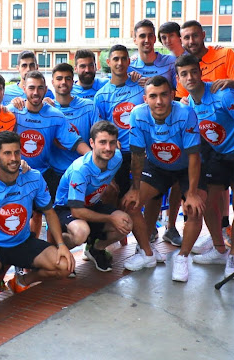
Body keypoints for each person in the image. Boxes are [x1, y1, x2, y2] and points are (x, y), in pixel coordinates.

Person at [0, 130, 74, 297]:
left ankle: (21, 281)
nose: (13, 158)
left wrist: (61, 245)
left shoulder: (34, 177)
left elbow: (49, 212)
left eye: (17, 152)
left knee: (65, 265)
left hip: (23, 242)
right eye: (7, 153)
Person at [176, 55, 234, 278]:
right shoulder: (190, 103)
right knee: (209, 202)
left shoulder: (222, 94)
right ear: (179, 78)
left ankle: (233, 258)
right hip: (221, 154)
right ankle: (219, 249)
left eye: (193, 72)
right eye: (184, 74)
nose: (190, 77)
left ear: (200, 72)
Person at [122, 76, 205, 279]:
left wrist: (192, 193)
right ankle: (146, 252)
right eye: (153, 96)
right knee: (131, 204)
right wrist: (134, 188)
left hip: (186, 166)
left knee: (194, 209)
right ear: (145, 98)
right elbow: (137, 154)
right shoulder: (137, 114)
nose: (159, 101)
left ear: (172, 95)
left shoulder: (186, 113)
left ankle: (182, 258)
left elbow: (194, 155)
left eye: (163, 95)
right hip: (158, 166)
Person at [7, 70, 89, 239]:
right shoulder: (12, 111)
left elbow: (74, 141)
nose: (35, 92)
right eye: (31, 88)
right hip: (15, 175)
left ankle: (52, 254)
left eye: (39, 88)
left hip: (43, 174)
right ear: (23, 88)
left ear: (45, 90)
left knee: (49, 213)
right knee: (17, 218)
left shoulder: (55, 115)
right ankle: (20, 258)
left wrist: (93, 159)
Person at [128, 19, 184, 247]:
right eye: (142, 36)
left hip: (173, 131)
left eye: (151, 36)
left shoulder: (169, 62)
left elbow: (182, 85)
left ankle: (171, 227)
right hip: (145, 133)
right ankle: (149, 230)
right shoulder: (130, 65)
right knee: (153, 186)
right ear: (135, 39)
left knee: (177, 179)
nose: (147, 40)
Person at [54, 121, 132, 272]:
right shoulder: (80, 170)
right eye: (102, 142)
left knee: (126, 223)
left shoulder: (117, 158)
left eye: (112, 143)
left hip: (92, 205)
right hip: (67, 209)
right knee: (81, 233)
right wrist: (110, 218)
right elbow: (77, 211)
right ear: (92, 143)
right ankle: (57, 250)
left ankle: (96, 249)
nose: (108, 148)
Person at [94, 44, 145, 203]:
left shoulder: (141, 87)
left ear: (129, 61)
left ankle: (150, 228)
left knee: (143, 198)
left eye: (124, 59)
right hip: (118, 153)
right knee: (116, 196)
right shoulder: (101, 96)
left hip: (143, 151)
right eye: (116, 59)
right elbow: (100, 128)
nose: (120, 63)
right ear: (108, 62)